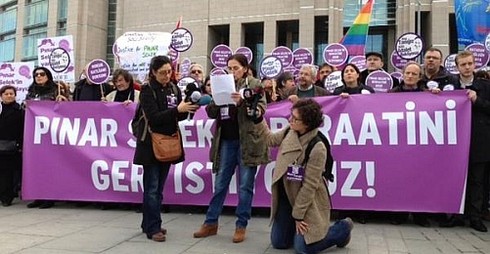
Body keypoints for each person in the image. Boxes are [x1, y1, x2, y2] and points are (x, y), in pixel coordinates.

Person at [193, 53, 269, 243]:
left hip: (247, 141)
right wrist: (217, 100)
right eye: (230, 68)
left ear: (245, 68)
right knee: (220, 184)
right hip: (226, 140)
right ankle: (211, 222)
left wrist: (243, 103)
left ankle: (241, 225)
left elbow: (260, 110)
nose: (232, 71)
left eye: (236, 68)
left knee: (245, 187)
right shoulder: (222, 83)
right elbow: (210, 112)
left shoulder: (254, 84)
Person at [263, 98, 353, 253]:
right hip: (286, 196)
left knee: (303, 248)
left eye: (295, 118)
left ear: (307, 123)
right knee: (279, 243)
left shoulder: (317, 147)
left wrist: (298, 216)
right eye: (291, 116)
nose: (290, 120)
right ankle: (292, 227)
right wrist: (258, 119)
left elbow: (309, 187)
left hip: (307, 201)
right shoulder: (290, 130)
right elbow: (270, 139)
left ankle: (342, 230)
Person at [133, 55, 199, 242]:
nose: (167, 75)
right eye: (162, 72)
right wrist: (178, 110)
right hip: (150, 144)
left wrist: (187, 110)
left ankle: (150, 223)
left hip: (168, 141)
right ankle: (153, 227)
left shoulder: (173, 88)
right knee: (151, 187)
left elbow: (175, 117)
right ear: (153, 73)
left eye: (169, 71)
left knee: (159, 188)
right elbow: (154, 118)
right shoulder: (147, 90)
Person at [439, 51, 490, 232]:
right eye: (463, 64)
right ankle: (455, 216)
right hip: (455, 142)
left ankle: (475, 217)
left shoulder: (485, 85)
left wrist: (477, 100)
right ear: (457, 66)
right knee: (457, 178)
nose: (467, 67)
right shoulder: (450, 86)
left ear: (474, 64)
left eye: (470, 63)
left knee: (477, 181)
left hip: (479, 141)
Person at [25, 67, 66, 209]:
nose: (39, 76)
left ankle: (49, 196)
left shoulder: (57, 89)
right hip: (35, 134)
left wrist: (63, 101)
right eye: (36, 75)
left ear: (48, 76)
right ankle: (38, 195)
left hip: (52, 133)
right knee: (36, 165)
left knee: (50, 165)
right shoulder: (31, 91)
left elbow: (68, 107)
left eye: (42, 74)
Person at [0, 86, 24, 207]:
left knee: (7, 173)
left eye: (11, 94)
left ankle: (6, 197)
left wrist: (20, 144)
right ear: (1, 96)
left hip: (12, 145)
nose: (9, 96)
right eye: (6, 94)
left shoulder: (19, 110)